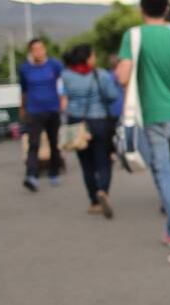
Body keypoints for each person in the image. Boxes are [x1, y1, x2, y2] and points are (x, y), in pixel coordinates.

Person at [115, 0, 170, 265]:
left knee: (163, 175)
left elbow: (123, 77)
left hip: (154, 115)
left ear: (142, 9)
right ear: (166, 9)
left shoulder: (134, 35)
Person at [61, 44, 119, 219]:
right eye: (93, 55)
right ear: (87, 58)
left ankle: (94, 202)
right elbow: (112, 96)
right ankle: (103, 190)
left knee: (86, 165)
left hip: (76, 123)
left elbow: (64, 98)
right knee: (104, 161)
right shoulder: (101, 75)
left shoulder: (66, 75)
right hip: (98, 121)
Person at [19, 38, 64, 192]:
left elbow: (63, 82)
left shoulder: (54, 65)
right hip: (34, 110)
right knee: (33, 143)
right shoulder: (25, 69)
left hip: (53, 109)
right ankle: (31, 175)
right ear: (31, 52)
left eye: (41, 48)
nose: (38, 52)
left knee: (54, 143)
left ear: (45, 50)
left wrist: (63, 100)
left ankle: (54, 172)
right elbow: (24, 90)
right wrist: (22, 107)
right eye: (35, 49)